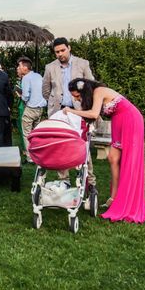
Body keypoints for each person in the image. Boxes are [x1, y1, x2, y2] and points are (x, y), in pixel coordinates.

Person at [63, 78, 145, 223]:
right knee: (113, 158)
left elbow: (93, 114)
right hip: (119, 122)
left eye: (77, 95)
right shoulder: (94, 96)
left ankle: (127, 202)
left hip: (130, 120)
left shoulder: (98, 91)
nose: (77, 98)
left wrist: (70, 110)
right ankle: (114, 198)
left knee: (129, 160)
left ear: (84, 90)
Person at [42, 37, 97, 191]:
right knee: (60, 144)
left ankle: (89, 181)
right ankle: (64, 180)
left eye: (62, 50)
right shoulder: (50, 67)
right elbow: (45, 90)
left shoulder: (82, 63)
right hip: (59, 112)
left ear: (69, 48)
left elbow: (91, 86)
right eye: (57, 52)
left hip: (79, 112)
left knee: (83, 143)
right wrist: (54, 103)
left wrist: (84, 104)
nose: (60, 54)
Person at [16, 56, 47, 163]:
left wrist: (20, 95)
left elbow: (25, 96)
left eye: (19, 66)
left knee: (27, 134)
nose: (18, 68)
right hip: (40, 109)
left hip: (30, 108)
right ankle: (38, 154)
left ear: (25, 68)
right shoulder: (38, 76)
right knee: (36, 134)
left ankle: (30, 157)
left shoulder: (26, 78)